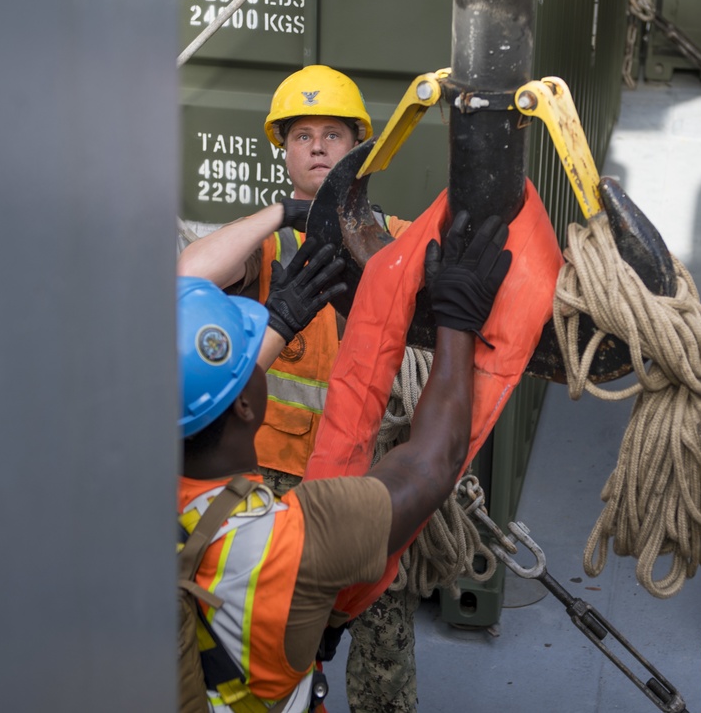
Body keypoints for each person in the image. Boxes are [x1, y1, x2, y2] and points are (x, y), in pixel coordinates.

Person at [177, 212, 511, 711]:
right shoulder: (289, 542)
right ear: (246, 404)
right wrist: (458, 321)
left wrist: (280, 321)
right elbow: (431, 464)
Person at [178, 64, 419, 712]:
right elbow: (183, 277)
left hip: (370, 480)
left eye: (333, 134)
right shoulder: (260, 248)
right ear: (283, 151)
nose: (316, 146)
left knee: (384, 652)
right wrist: (284, 213)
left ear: (360, 148)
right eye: (301, 135)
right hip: (270, 492)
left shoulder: (395, 241)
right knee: (275, 649)